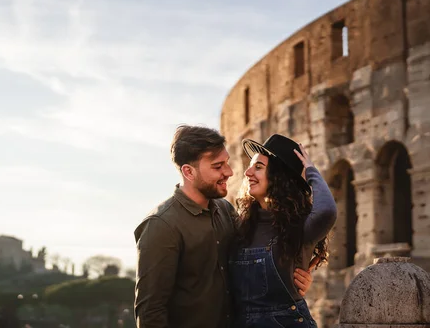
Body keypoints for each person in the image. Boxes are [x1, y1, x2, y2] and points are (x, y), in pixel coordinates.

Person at [133, 125, 314, 328]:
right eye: (218, 166)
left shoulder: (226, 210)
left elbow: (255, 260)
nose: (229, 172)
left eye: (226, 163)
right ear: (188, 172)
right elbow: (150, 313)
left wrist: (292, 276)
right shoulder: (160, 226)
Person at [230, 134, 337, 327]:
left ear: (279, 177)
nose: (247, 173)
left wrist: (311, 170)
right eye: (250, 166)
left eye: (258, 167)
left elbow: (328, 210)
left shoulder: (301, 227)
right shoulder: (242, 226)